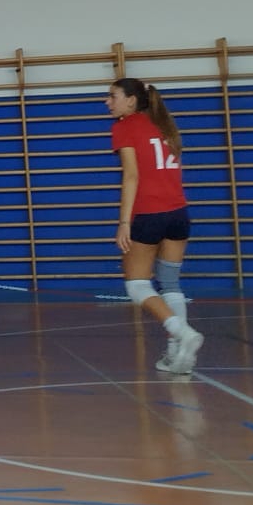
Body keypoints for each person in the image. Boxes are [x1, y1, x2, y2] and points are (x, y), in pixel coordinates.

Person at [107, 77, 201, 374]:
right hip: (179, 213)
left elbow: (131, 176)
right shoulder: (164, 124)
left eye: (113, 96)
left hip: (149, 214)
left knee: (136, 284)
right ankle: (177, 356)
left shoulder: (125, 126)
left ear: (131, 100)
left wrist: (124, 222)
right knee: (170, 283)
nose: (107, 102)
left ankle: (182, 332)